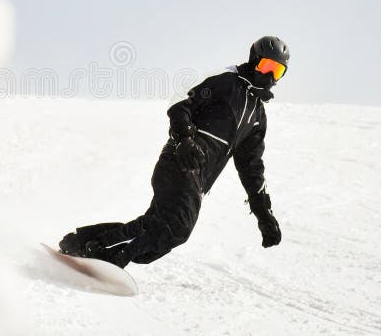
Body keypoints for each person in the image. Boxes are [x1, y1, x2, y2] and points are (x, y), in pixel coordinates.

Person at [58, 36, 289, 268]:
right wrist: (184, 139)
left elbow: (251, 166)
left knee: (157, 237)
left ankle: (83, 242)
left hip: (198, 180)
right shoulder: (227, 81)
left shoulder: (258, 117)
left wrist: (264, 214)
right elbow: (181, 100)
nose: (270, 76)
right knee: (176, 227)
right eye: (267, 66)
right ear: (254, 60)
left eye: (278, 71)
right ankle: (106, 256)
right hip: (180, 161)